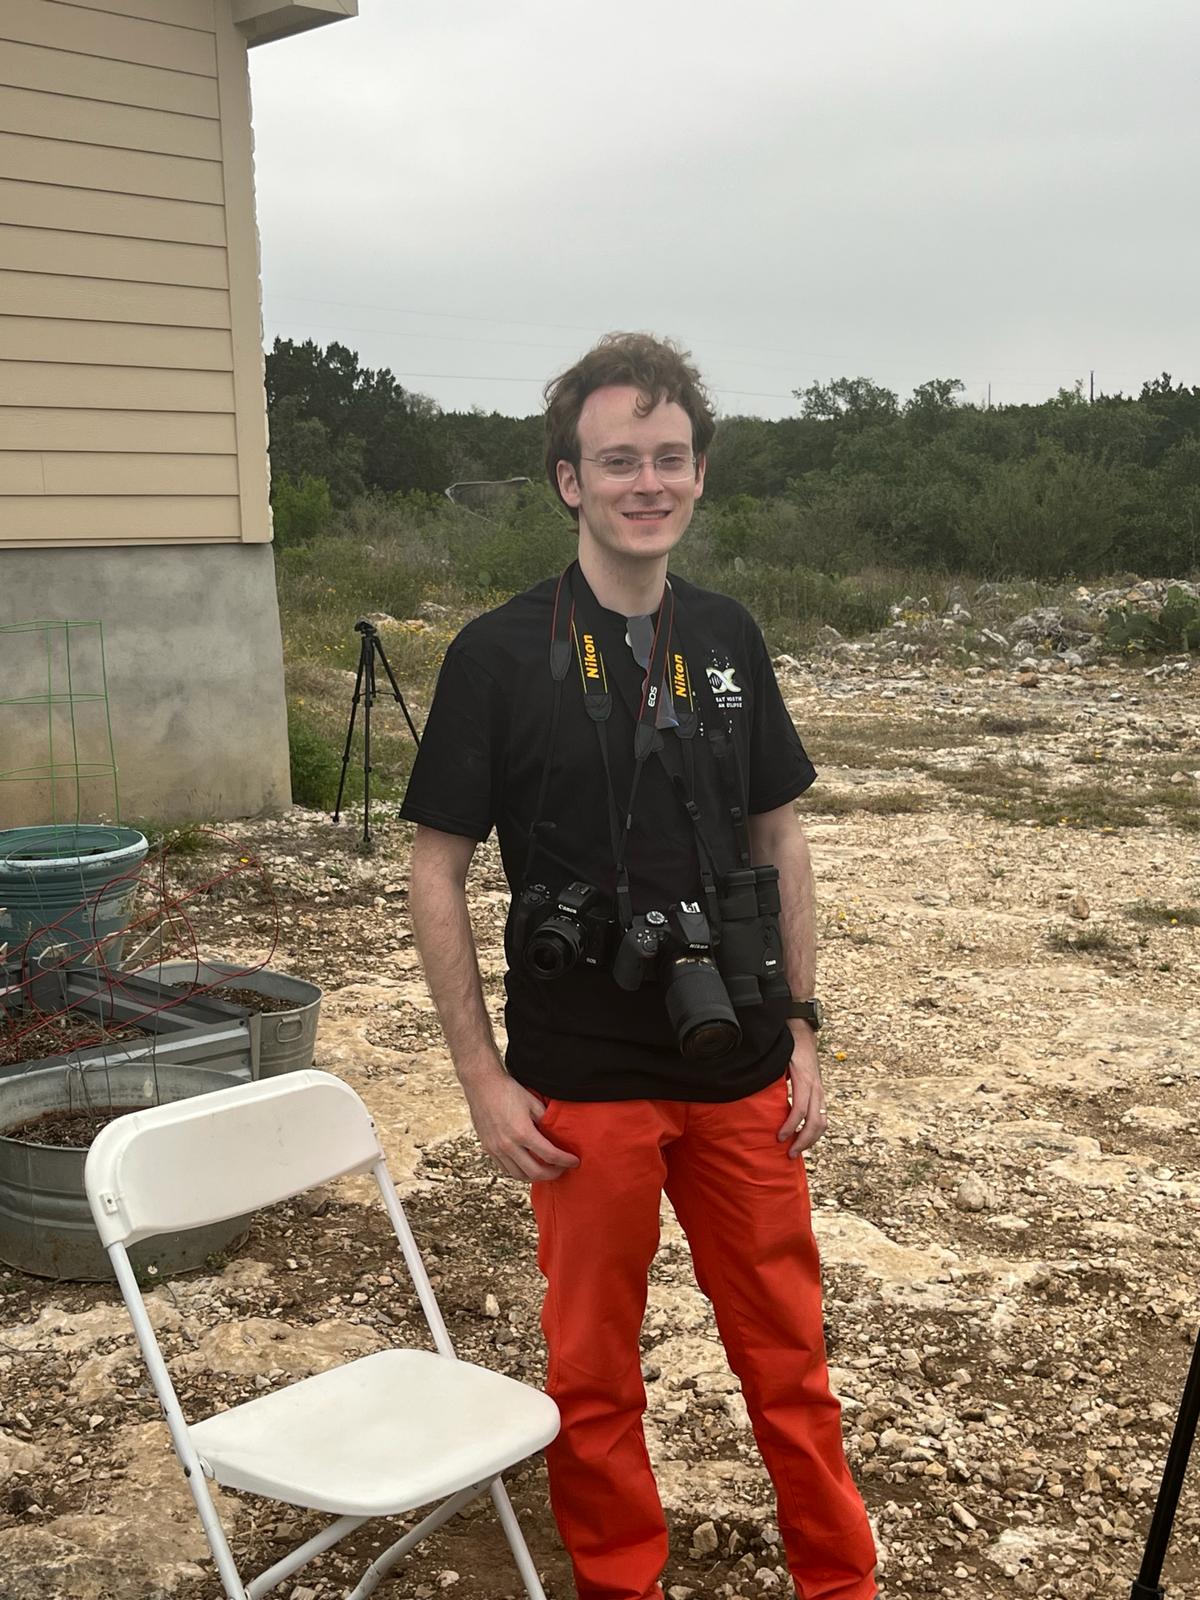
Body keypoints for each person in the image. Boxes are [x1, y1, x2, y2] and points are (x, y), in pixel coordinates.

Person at [401, 333, 877, 1600]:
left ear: (701, 475)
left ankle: (843, 1582)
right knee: (595, 1375)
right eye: (619, 460)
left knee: (790, 1360)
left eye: (669, 459)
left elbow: (779, 832)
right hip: (581, 1081)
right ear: (568, 479)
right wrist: (481, 1078)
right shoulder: (495, 657)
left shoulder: (727, 635)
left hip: (741, 1061)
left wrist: (806, 1021)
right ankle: (622, 1584)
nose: (646, 482)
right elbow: (435, 863)